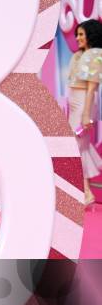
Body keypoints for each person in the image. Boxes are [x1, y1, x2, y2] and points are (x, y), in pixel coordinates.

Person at [67, 19, 102, 208]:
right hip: (76, 105)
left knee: (77, 148)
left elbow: (92, 87)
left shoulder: (95, 55)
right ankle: (86, 192)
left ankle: (86, 192)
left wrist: (86, 114)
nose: (78, 38)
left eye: (82, 34)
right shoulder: (80, 55)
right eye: (77, 34)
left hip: (83, 105)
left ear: (91, 35)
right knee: (80, 149)